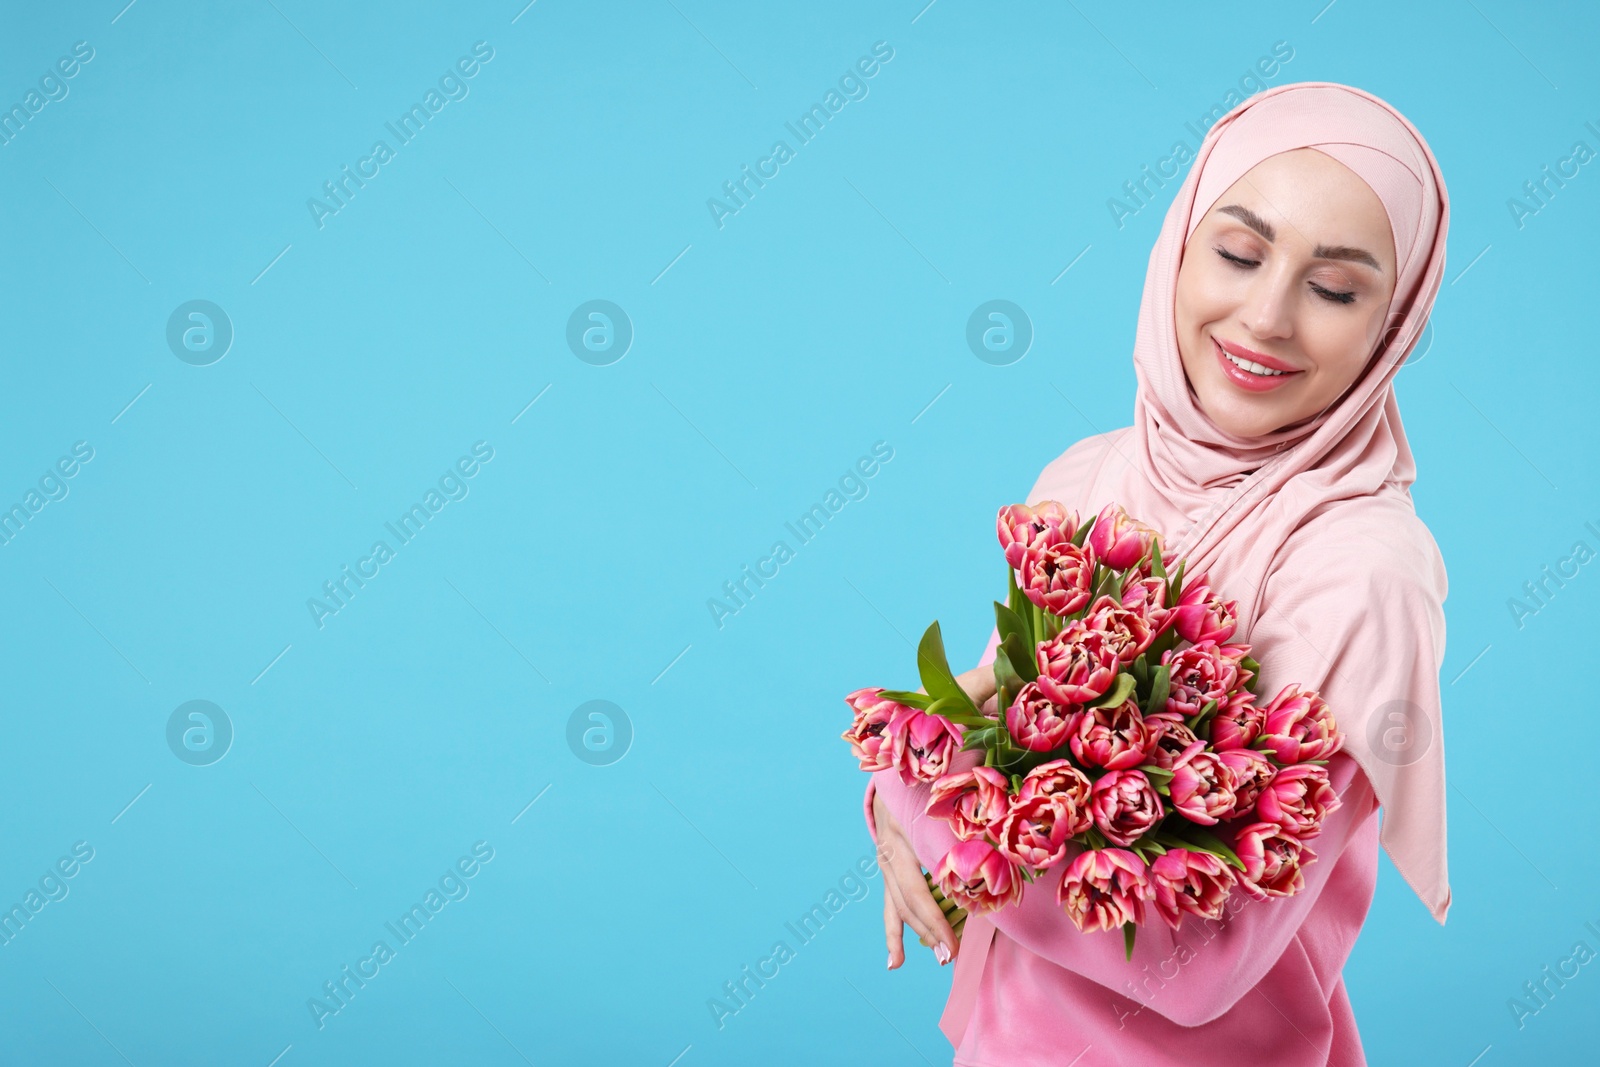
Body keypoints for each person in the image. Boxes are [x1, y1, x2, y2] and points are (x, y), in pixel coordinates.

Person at [861, 81, 1451, 1066]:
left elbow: (1195, 963)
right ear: (1176, 246)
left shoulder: (1363, 577)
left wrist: (914, 795)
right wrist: (905, 781)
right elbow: (982, 717)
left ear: (1392, 326)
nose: (1265, 316)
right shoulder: (1089, 477)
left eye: (1336, 287)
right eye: (1236, 251)